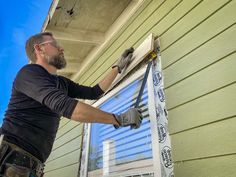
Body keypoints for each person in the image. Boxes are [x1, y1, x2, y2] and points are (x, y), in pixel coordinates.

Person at [0, 32, 143, 177]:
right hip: (8, 159)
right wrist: (118, 119)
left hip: (31, 167)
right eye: (54, 44)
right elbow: (66, 106)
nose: (61, 48)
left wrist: (117, 68)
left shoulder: (62, 83)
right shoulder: (28, 74)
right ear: (39, 49)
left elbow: (94, 92)